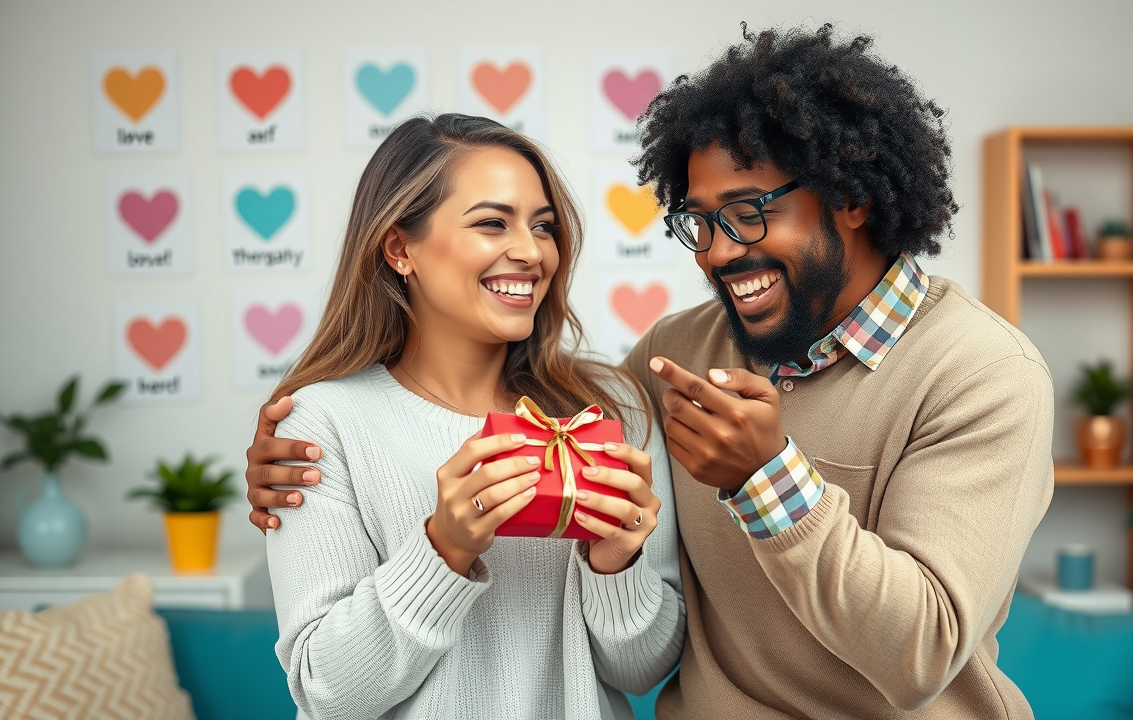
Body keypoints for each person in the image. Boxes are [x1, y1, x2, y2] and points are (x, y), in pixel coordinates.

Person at [248, 25, 1053, 719]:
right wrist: (300, 448)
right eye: (699, 222)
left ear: (850, 196)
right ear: (399, 248)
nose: (720, 252)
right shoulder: (671, 362)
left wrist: (766, 477)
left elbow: (922, 653)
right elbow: (326, 679)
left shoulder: (983, 374)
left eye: (748, 212)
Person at [257, 114, 683, 720]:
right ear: (400, 247)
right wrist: (444, 548)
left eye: (543, 227)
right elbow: (327, 690)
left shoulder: (611, 410)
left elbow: (642, 668)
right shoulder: (320, 425)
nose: (531, 252)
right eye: (491, 223)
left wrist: (616, 562)